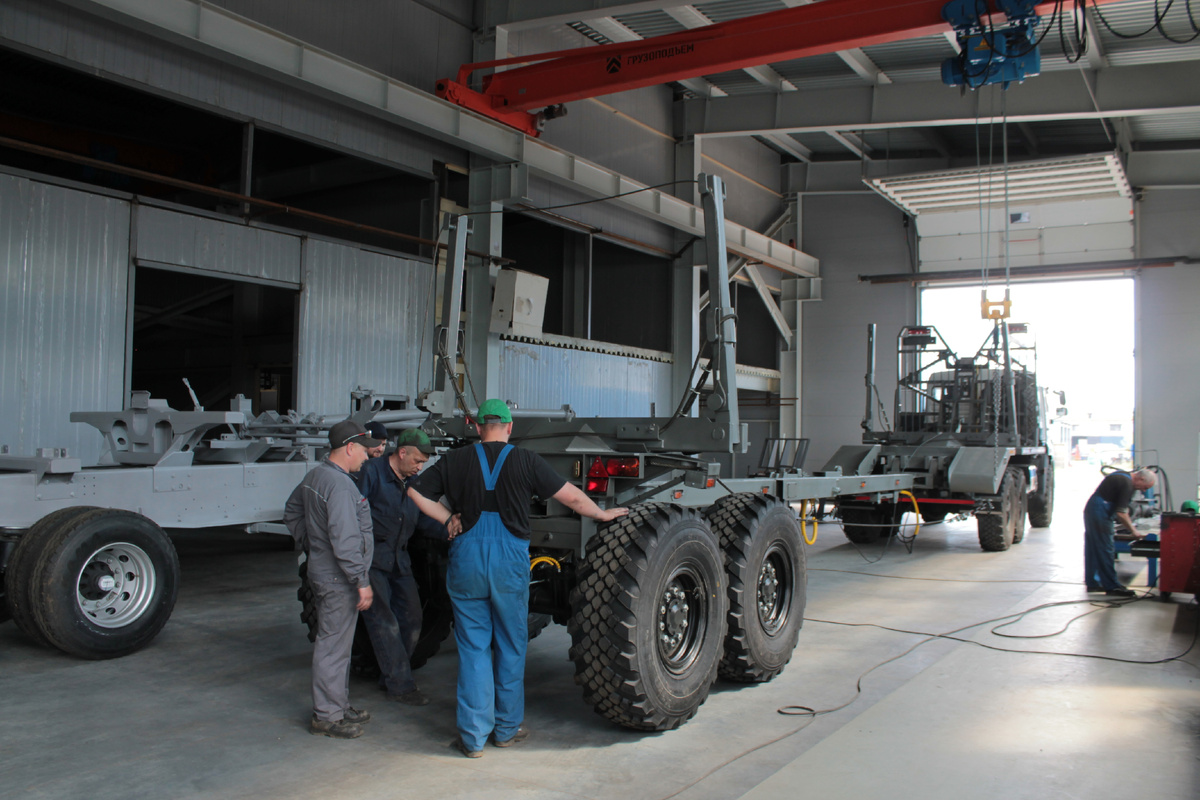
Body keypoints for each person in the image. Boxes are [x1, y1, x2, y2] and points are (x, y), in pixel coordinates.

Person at [407, 399, 629, 758]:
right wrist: (601, 515)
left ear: (478, 427)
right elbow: (571, 496)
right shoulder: (526, 460)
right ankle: (507, 730)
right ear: (509, 428)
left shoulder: (456, 460)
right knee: (511, 645)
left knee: (473, 647)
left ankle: (473, 737)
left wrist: (447, 518)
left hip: (467, 559)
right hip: (509, 562)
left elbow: (415, 490)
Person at [283, 419, 382, 739]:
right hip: (340, 580)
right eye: (364, 451)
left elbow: (291, 511)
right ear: (350, 447)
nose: (368, 457)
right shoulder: (339, 486)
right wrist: (361, 580)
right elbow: (345, 538)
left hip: (326, 572)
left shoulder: (316, 476)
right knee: (333, 646)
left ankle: (337, 704)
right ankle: (326, 715)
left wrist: (312, 545)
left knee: (338, 644)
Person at [355, 428, 450, 706]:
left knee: (412, 619)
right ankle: (400, 684)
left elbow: (423, 519)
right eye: (418, 460)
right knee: (383, 622)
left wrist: (453, 529)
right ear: (402, 452)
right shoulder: (370, 473)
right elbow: (351, 515)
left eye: (423, 463)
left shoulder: (413, 484)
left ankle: (391, 674)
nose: (420, 467)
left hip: (399, 559)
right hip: (372, 559)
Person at [1084, 468, 1157, 597]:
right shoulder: (1127, 484)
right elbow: (1121, 513)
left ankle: (1093, 583)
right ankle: (1112, 586)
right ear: (1141, 479)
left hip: (1093, 509)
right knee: (1105, 549)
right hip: (1099, 512)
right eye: (1144, 487)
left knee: (1094, 549)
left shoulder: (1124, 476)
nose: (1143, 490)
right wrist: (1133, 531)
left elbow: (1122, 510)